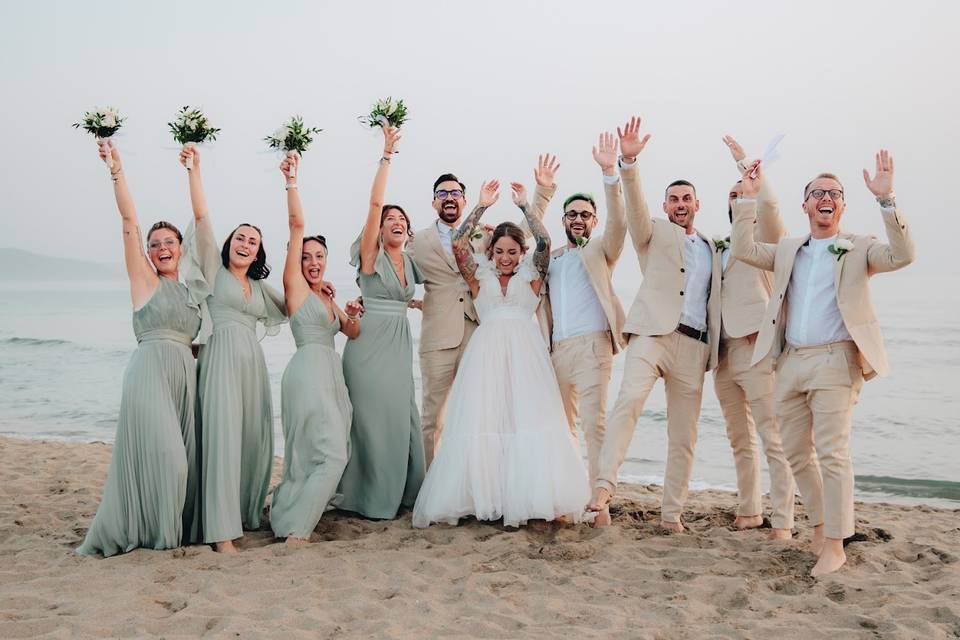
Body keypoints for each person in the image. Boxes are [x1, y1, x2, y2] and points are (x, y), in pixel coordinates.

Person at [730, 151, 914, 576]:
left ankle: (835, 543)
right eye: (817, 193)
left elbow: (903, 255)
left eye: (834, 193)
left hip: (836, 360)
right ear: (806, 205)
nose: (825, 198)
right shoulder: (789, 248)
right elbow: (742, 248)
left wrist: (887, 200)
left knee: (832, 453)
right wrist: (747, 199)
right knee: (795, 453)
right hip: (790, 361)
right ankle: (820, 524)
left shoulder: (860, 247)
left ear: (843, 205)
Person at [412, 172, 591, 528]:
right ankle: (485, 496)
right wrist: (480, 205)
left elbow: (543, 238)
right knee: (486, 419)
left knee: (528, 419)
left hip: (527, 354)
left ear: (521, 254)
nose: (506, 257)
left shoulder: (532, 275)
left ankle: (530, 496)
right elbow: (460, 242)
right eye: (499, 251)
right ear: (490, 252)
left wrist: (525, 204)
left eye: (512, 251)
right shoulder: (479, 278)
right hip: (487, 354)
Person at [589, 116, 722, 532]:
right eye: (674, 199)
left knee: (685, 434)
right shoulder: (653, 233)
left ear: (698, 204)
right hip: (651, 335)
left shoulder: (714, 248)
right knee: (627, 402)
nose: (681, 204)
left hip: (694, 346)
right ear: (666, 207)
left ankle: (671, 515)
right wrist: (628, 164)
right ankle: (603, 487)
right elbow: (635, 210)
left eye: (687, 199)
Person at [77, 139, 202, 556]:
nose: (162, 249)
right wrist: (116, 169)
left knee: (182, 462)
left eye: (169, 242)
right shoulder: (144, 283)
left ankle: (160, 532)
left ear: (181, 249)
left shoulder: (189, 292)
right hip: (150, 374)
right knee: (171, 460)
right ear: (147, 253)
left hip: (183, 378)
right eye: (155, 244)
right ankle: (163, 541)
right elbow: (129, 219)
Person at [180, 145, 287, 553]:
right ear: (229, 244)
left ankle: (243, 514)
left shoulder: (259, 288)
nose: (246, 243)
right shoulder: (214, 269)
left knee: (252, 439)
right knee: (222, 439)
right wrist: (195, 169)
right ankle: (220, 532)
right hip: (220, 357)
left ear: (259, 253)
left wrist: (324, 291)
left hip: (251, 367)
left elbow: (293, 305)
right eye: (240, 237)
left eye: (254, 241)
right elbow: (203, 219)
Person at [528, 136, 628, 526]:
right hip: (557, 351)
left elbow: (621, 223)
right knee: (561, 429)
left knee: (595, 427)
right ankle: (568, 501)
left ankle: (599, 504)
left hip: (593, 349)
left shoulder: (602, 250)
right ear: (563, 220)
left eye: (585, 214)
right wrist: (540, 191)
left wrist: (609, 173)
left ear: (593, 220)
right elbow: (523, 241)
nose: (578, 219)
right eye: (572, 214)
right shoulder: (550, 260)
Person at [269, 154, 363, 544]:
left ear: (326, 260)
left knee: (320, 452)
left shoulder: (327, 296)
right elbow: (296, 225)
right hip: (307, 372)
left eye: (318, 256)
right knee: (329, 455)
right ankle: (297, 532)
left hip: (331, 375)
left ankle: (286, 512)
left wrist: (353, 311)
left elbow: (352, 332)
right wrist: (292, 181)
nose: (311, 261)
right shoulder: (295, 289)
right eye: (305, 256)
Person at [337, 125, 425, 519]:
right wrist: (387, 156)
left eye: (402, 218)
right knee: (372, 418)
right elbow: (374, 206)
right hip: (368, 346)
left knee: (400, 415)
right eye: (390, 218)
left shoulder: (411, 261)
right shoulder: (370, 259)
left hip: (399, 344)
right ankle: (368, 496)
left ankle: (402, 491)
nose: (396, 220)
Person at [712, 135, 797, 540]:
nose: (737, 196)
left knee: (773, 439)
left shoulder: (765, 238)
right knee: (739, 439)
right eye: (732, 193)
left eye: (741, 191)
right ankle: (749, 510)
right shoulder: (718, 248)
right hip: (724, 355)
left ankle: (783, 520)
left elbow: (771, 207)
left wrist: (746, 167)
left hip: (757, 350)